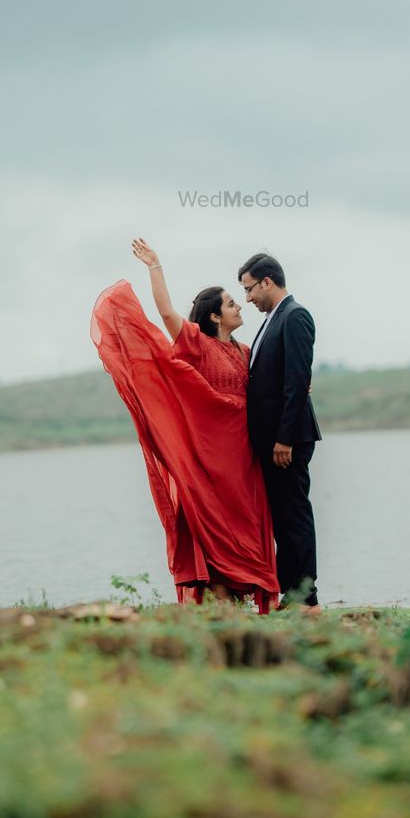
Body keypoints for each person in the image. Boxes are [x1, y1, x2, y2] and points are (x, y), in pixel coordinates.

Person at [90, 239, 279, 612]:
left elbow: (265, 386)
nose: (239, 305)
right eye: (231, 303)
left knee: (247, 518)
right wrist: (155, 267)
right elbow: (165, 313)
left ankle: (244, 589)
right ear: (214, 316)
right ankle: (220, 595)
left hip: (245, 451)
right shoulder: (196, 343)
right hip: (211, 453)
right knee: (212, 516)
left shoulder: (244, 351)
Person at [238, 252, 322, 609]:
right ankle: (294, 593)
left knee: (294, 516)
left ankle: (306, 597)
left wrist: (283, 439)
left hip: (287, 440)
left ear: (267, 281)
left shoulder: (295, 316)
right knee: (284, 520)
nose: (247, 298)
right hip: (273, 440)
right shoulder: (274, 319)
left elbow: (297, 380)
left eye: (249, 289)